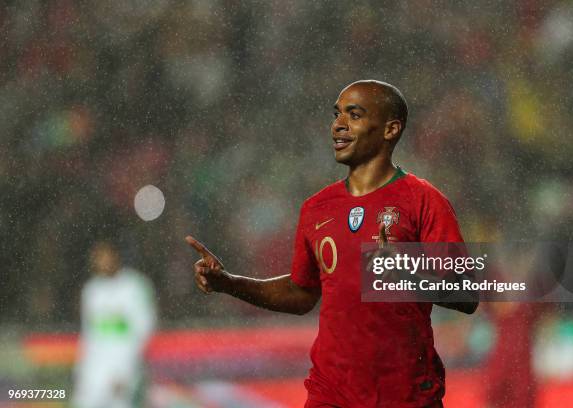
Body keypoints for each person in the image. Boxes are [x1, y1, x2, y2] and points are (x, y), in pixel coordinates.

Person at [186, 80, 478, 407]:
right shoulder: (316, 208)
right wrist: (229, 283)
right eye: (337, 114)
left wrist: (407, 278)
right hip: (331, 394)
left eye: (354, 115)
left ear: (390, 129)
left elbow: (466, 293)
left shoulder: (423, 200)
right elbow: (301, 293)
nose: (338, 125)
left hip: (405, 396)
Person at [72, 241, 156, 408]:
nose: (103, 262)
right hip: (94, 369)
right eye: (98, 258)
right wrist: (81, 370)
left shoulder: (134, 285)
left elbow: (144, 330)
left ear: (115, 256)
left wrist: (126, 372)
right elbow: (88, 335)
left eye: (106, 256)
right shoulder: (91, 291)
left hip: (122, 366)